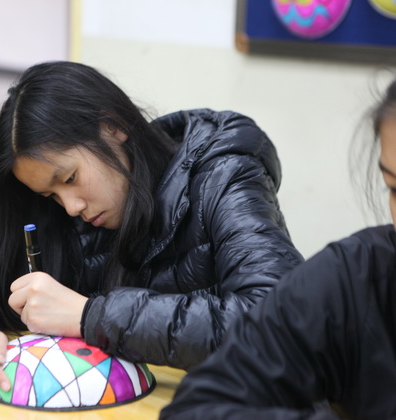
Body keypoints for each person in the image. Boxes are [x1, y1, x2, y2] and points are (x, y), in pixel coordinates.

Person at [0, 61, 303, 402]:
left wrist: (89, 316)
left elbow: (279, 325)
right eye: (51, 195)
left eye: (70, 178)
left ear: (113, 126)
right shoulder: (74, 214)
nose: (71, 207)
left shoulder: (224, 177)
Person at [160, 76, 396, 420]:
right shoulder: (354, 276)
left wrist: (95, 314)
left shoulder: (226, 176)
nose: (78, 207)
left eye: (77, 176)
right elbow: (195, 407)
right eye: (393, 187)